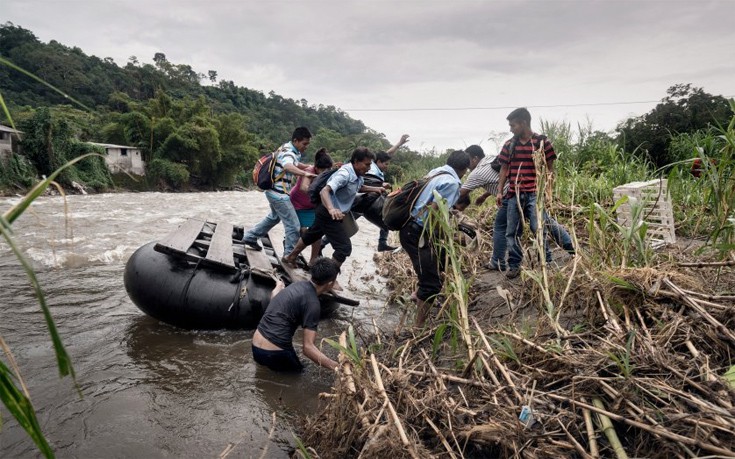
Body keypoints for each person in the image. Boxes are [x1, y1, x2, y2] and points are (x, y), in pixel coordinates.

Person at [458, 144, 573, 270]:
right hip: (527, 191)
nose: (466, 164)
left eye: (467, 160)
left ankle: (500, 262)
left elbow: (461, 193)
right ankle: (571, 247)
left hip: (511, 196)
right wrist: (485, 196)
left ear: (474, 158)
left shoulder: (477, 173)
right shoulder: (492, 159)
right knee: (545, 222)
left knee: (501, 228)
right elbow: (498, 179)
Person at [282, 147, 387, 279]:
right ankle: (326, 279)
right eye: (367, 164)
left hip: (325, 211)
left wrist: (376, 189)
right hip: (328, 213)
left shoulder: (357, 174)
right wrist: (332, 209)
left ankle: (290, 257)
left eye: (370, 164)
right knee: (344, 248)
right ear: (356, 161)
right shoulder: (344, 174)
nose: (369, 167)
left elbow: (359, 186)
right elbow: (324, 191)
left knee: (312, 234)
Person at [399, 149, 470, 327]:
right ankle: (418, 327)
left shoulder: (436, 172)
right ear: (464, 169)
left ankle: (418, 295)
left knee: (441, 261)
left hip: (409, 228)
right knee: (431, 283)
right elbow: (433, 215)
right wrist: (452, 236)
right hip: (418, 234)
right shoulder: (452, 183)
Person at [496, 108, 556, 279]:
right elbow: (504, 169)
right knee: (512, 231)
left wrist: (548, 191)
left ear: (523, 123)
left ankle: (546, 263)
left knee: (539, 228)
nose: (510, 129)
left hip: (535, 193)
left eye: (513, 125)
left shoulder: (542, 143)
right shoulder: (509, 145)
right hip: (514, 194)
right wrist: (500, 192)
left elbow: (551, 169)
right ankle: (514, 265)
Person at [251, 258, 340, 372]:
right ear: (330, 283)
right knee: (301, 375)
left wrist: (278, 286)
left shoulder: (296, 285)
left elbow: (274, 298)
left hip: (256, 345)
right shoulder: (313, 304)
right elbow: (308, 348)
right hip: (275, 352)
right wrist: (336, 366)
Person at [241, 127, 317, 254]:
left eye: (308, 144)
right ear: (296, 140)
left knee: (274, 218)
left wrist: (309, 167)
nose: (306, 146)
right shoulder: (288, 152)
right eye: (304, 143)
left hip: (273, 192)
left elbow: (295, 164)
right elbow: (288, 166)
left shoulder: (288, 148)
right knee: (294, 226)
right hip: (279, 195)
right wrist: (305, 174)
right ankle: (288, 256)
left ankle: (250, 237)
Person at [290, 148, 334, 266]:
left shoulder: (327, 173)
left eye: (328, 169)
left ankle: (313, 259)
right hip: (298, 204)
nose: (326, 172)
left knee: (317, 231)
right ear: (317, 167)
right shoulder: (309, 171)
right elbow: (303, 188)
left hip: (311, 206)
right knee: (302, 231)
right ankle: (291, 255)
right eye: (323, 170)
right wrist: (318, 193)